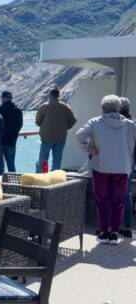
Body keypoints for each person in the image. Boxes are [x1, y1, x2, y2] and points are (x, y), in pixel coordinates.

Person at [76, 95, 136, 245]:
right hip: (122, 168)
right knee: (118, 202)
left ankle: (103, 233)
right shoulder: (130, 124)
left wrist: (90, 149)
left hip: (101, 167)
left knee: (102, 201)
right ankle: (114, 234)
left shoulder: (95, 122)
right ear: (118, 109)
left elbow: (79, 135)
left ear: (103, 109)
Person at [36, 86, 77, 172]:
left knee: (43, 160)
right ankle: (54, 179)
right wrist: (66, 127)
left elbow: (37, 121)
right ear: (59, 96)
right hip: (61, 137)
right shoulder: (65, 107)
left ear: (50, 95)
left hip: (46, 137)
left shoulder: (45, 107)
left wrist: (44, 126)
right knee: (57, 161)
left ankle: (43, 176)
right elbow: (73, 120)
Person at [0, 91, 23, 173]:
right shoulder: (18, 111)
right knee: (11, 165)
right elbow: (20, 125)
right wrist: (14, 135)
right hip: (12, 142)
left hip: (0, 142)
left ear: (3, 98)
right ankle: (14, 184)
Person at [119, 97, 135, 238]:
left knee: (113, 195)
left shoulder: (119, 125)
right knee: (126, 195)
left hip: (117, 164)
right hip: (130, 165)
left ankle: (113, 226)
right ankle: (127, 226)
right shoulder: (133, 124)